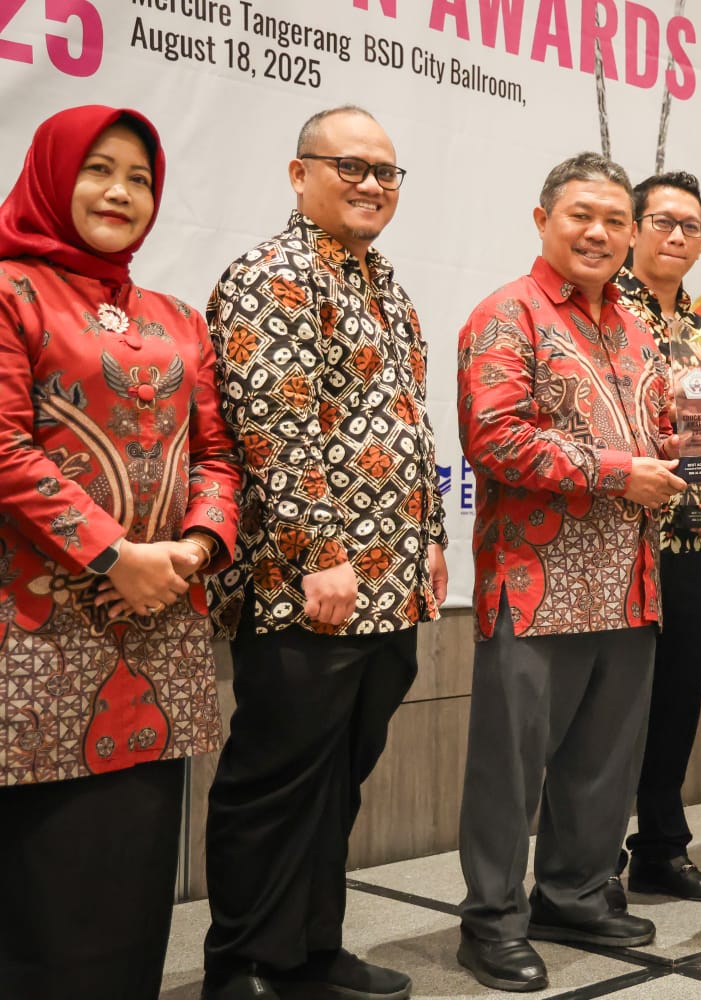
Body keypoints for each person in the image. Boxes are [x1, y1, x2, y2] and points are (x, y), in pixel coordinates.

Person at [201, 105, 448, 1000]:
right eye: (351, 166)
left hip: (389, 584)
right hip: (302, 586)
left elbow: (409, 426)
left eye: (385, 171)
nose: (372, 184)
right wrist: (319, 552)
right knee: (274, 780)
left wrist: (429, 540)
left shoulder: (384, 284)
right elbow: (274, 428)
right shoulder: (273, 276)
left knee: (337, 781)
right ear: (299, 173)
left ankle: (310, 950)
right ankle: (243, 964)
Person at [0, 104, 240, 1000]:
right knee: (44, 883)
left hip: (161, 628)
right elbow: (6, 447)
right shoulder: (11, 292)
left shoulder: (177, 317)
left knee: (133, 877)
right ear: (52, 178)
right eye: (97, 170)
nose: (120, 192)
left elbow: (218, 456)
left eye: (139, 177)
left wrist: (194, 548)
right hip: (36, 635)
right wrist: (115, 556)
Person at [454, 152, 683, 993]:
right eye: (582, 215)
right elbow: (496, 437)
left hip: (629, 580)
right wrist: (619, 474)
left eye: (616, 220)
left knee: (603, 762)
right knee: (509, 769)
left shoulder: (635, 326)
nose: (599, 233)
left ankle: (575, 896)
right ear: (543, 219)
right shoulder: (505, 315)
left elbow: (664, 431)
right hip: (534, 582)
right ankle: (491, 920)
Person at [613, 170, 701, 902]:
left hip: (691, 541)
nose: (677, 236)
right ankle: (592, 859)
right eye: (662, 221)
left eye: (691, 225)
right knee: (611, 709)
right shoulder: (605, 316)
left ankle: (661, 848)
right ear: (633, 229)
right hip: (618, 541)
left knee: (678, 698)